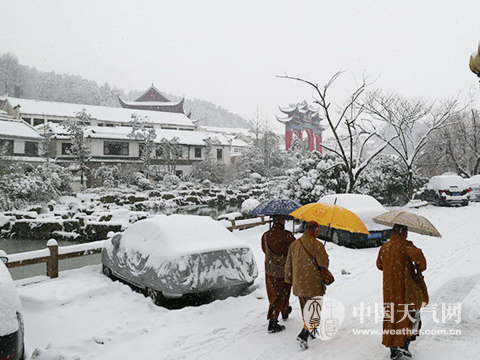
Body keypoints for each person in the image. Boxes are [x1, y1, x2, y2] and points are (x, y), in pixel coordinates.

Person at [377, 224, 427, 360]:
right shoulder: (406, 246)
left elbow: (379, 265)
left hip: (389, 291)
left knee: (391, 317)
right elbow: (422, 264)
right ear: (403, 232)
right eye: (406, 231)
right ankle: (403, 347)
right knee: (408, 316)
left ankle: (393, 346)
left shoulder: (384, 247)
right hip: (406, 290)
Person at [285, 221, 329, 350]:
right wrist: (325, 257)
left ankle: (311, 329)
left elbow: (288, 264)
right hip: (313, 283)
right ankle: (304, 335)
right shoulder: (317, 245)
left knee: (306, 309)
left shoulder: (294, 244)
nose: (319, 232)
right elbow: (324, 263)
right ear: (314, 229)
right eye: (318, 229)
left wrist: (289, 279)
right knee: (314, 310)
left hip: (299, 284)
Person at [261, 215, 296, 333]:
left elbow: (264, 250)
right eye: (284, 219)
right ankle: (273, 321)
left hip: (270, 270)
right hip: (284, 270)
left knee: (273, 294)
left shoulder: (265, 235)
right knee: (283, 293)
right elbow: (294, 251)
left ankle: (285, 310)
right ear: (281, 221)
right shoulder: (287, 235)